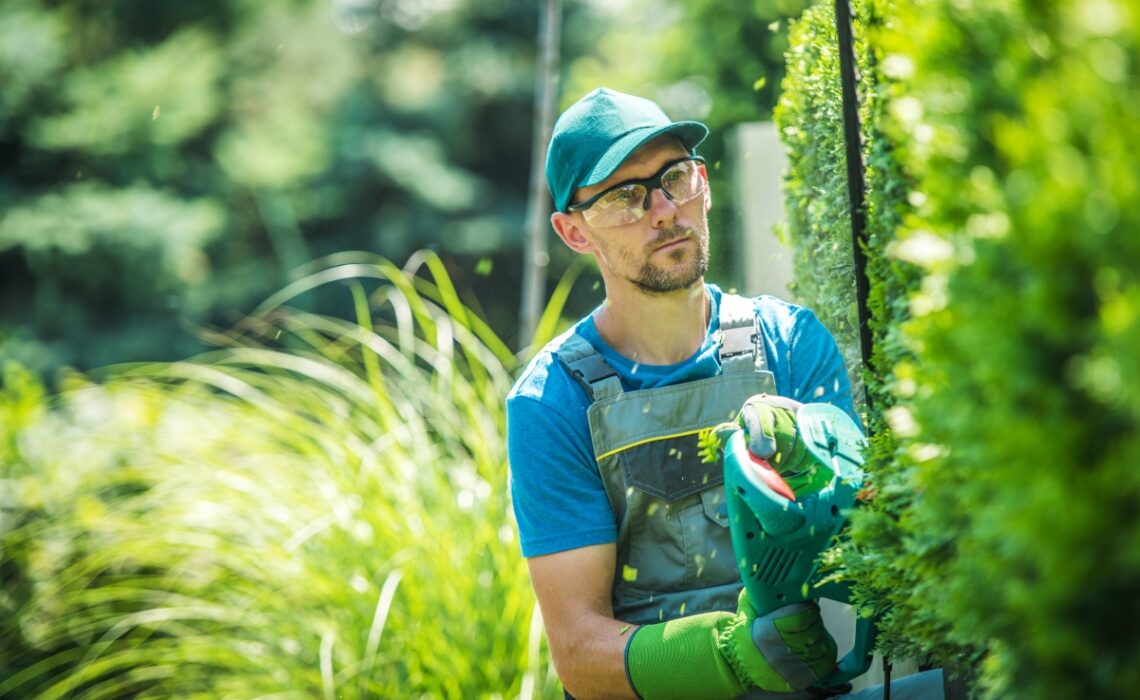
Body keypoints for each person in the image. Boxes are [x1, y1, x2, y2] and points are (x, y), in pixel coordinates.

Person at [506, 87, 942, 700]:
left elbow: (868, 544)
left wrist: (822, 462)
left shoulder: (789, 341)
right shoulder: (554, 402)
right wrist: (728, 655)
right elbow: (579, 655)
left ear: (703, 184)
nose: (662, 210)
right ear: (573, 231)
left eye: (674, 178)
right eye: (625, 197)